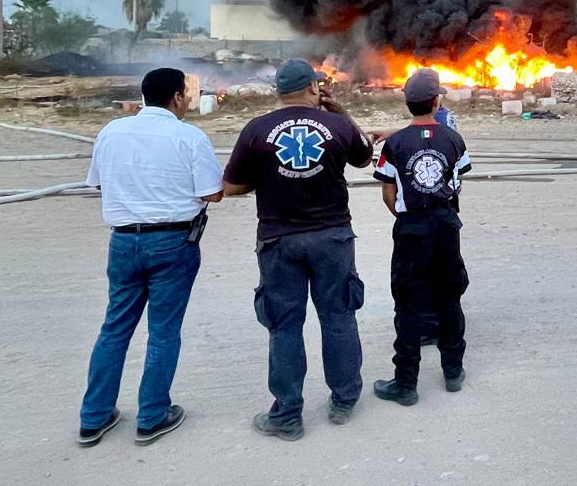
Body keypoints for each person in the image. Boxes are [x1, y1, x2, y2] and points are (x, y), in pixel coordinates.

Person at [222, 59, 373, 441]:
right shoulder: (337, 125)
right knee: (338, 317)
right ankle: (343, 401)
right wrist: (340, 112)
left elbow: (232, 186)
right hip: (332, 238)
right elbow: (363, 157)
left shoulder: (256, 129)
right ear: (312, 88)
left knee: (284, 326)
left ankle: (287, 415)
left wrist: (267, 178)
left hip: (278, 241)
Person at [79, 67, 224, 447]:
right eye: (187, 94)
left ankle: (94, 417)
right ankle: (152, 415)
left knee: (114, 328)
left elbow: (95, 182)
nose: (190, 100)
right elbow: (213, 192)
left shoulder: (111, 131)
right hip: (173, 244)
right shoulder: (189, 137)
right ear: (177, 97)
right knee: (163, 331)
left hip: (124, 243)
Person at [370, 69, 471, 406]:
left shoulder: (395, 144)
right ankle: (453, 371)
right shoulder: (453, 139)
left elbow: (387, 194)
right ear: (437, 101)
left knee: (409, 303)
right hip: (446, 226)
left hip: (412, 228)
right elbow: (458, 183)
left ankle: (406, 383)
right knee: (449, 296)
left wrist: (408, 217)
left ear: (407, 103)